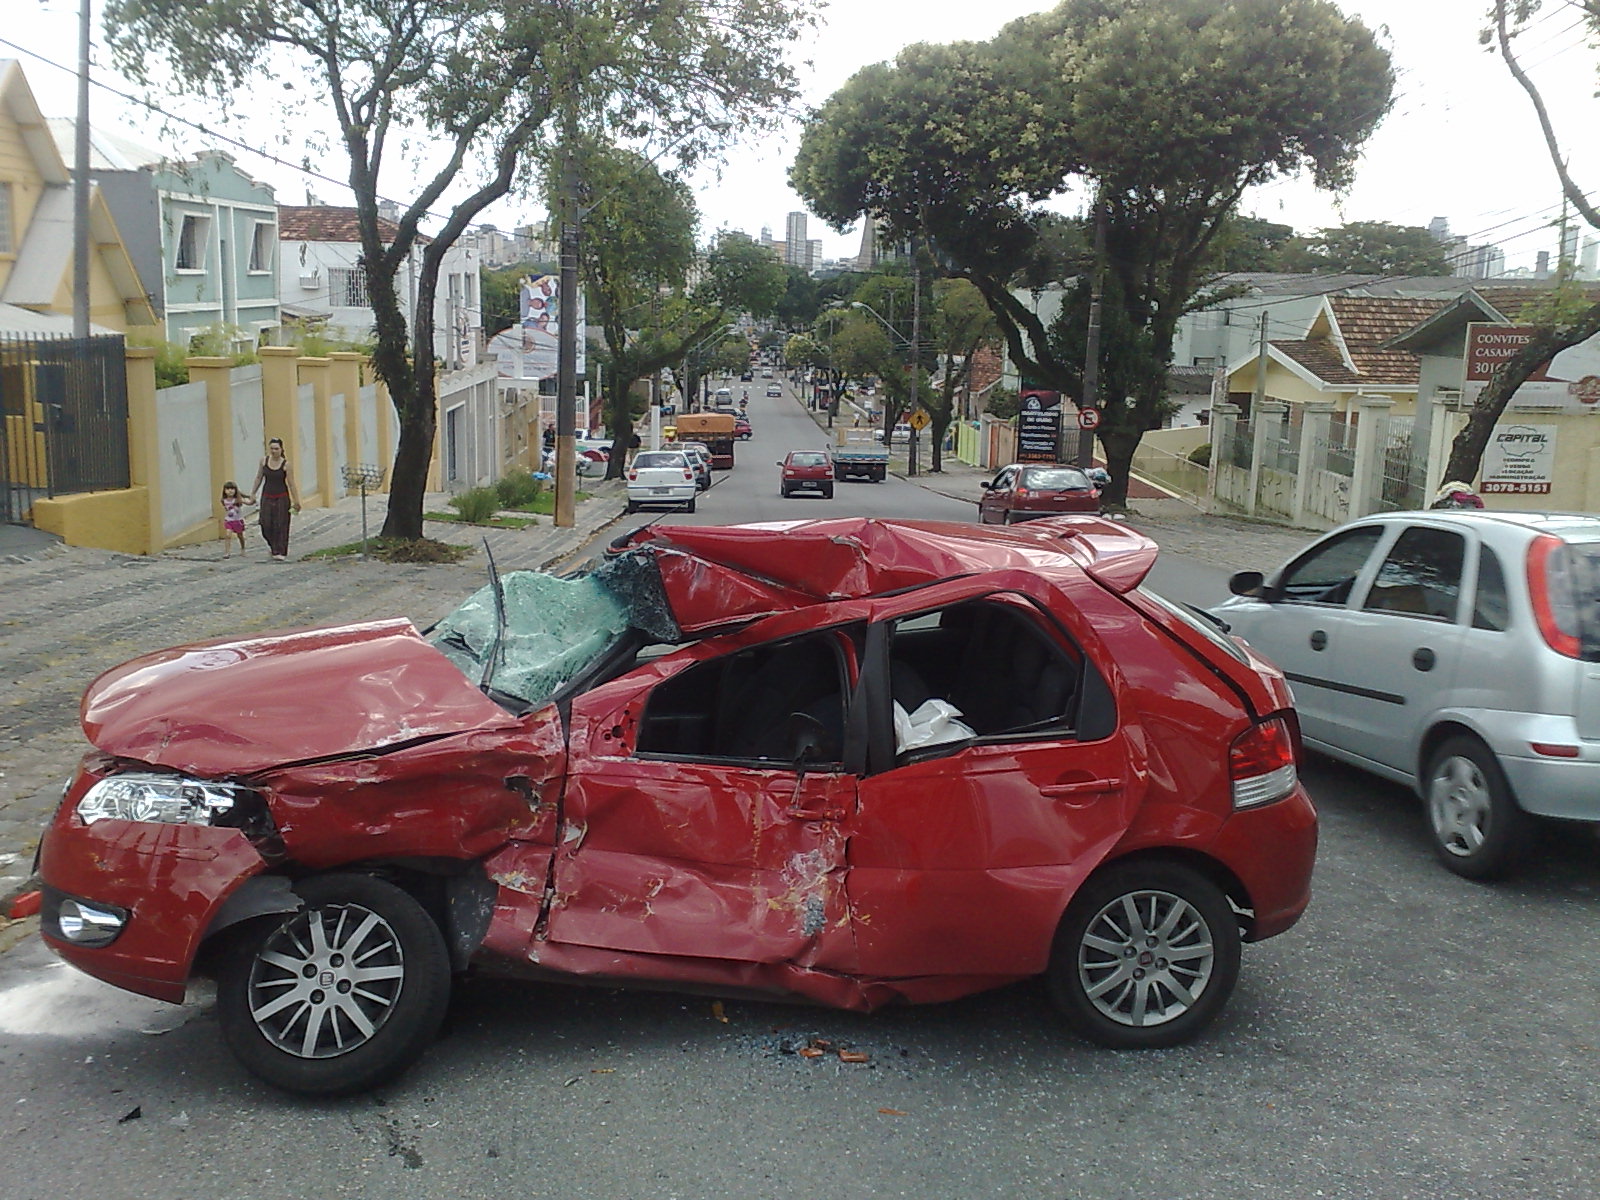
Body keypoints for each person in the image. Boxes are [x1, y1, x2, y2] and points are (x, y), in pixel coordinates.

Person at [251, 437, 301, 561]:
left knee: (281, 524)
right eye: (271, 448)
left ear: (281, 449)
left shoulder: (286, 465)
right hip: (267, 496)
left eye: (276, 449)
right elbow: (258, 478)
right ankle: (272, 545)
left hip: (281, 497)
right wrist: (253, 493)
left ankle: (280, 551)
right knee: (265, 523)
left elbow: (291, 483)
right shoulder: (264, 461)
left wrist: (296, 501)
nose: (274, 451)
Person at [220, 481, 253, 558]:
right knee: (228, 535)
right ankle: (227, 552)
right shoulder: (224, 500)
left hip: (238, 520)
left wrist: (252, 500)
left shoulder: (238, 499)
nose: (230, 491)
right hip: (229, 521)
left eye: (232, 489)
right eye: (228, 489)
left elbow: (248, 502)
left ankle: (243, 548)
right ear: (224, 491)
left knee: (240, 536)